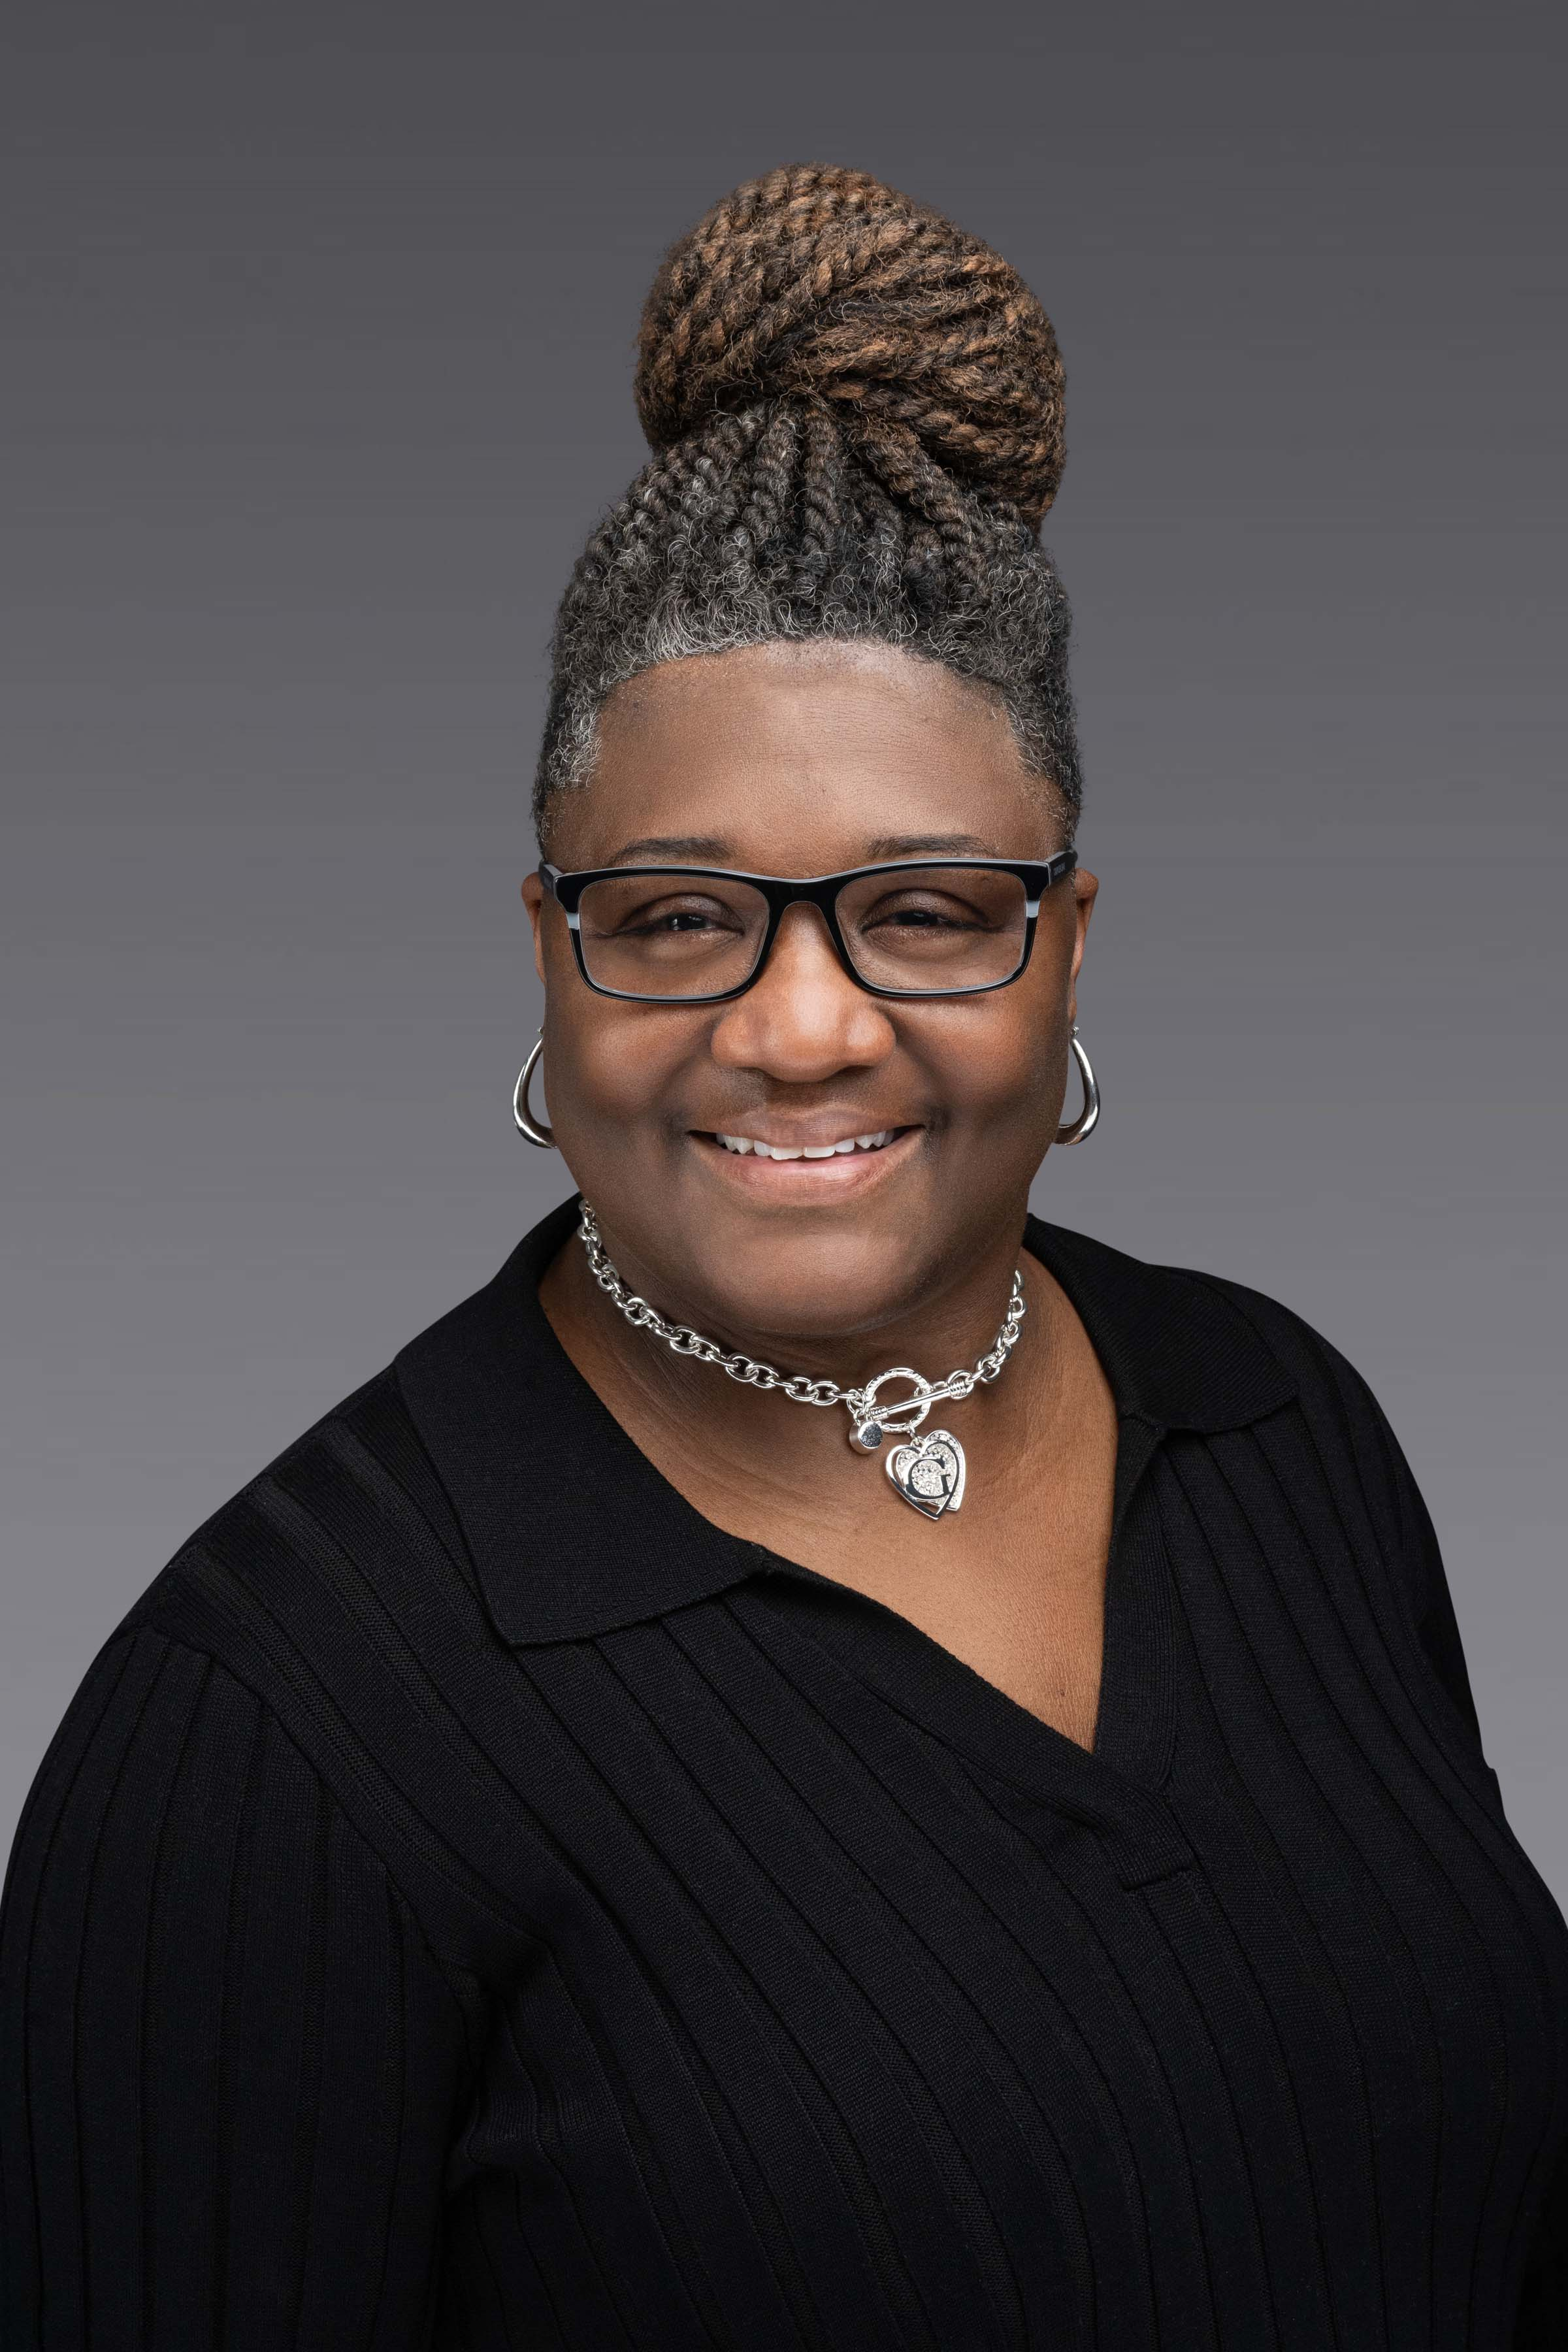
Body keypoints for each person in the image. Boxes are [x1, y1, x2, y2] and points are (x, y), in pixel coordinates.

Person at [3, 162, 1564, 2350]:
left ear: (1068, 943)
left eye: (926, 906)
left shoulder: (1283, 1422)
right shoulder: (275, 1729)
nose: (804, 1024)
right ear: (549, 960)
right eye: (678, 917)